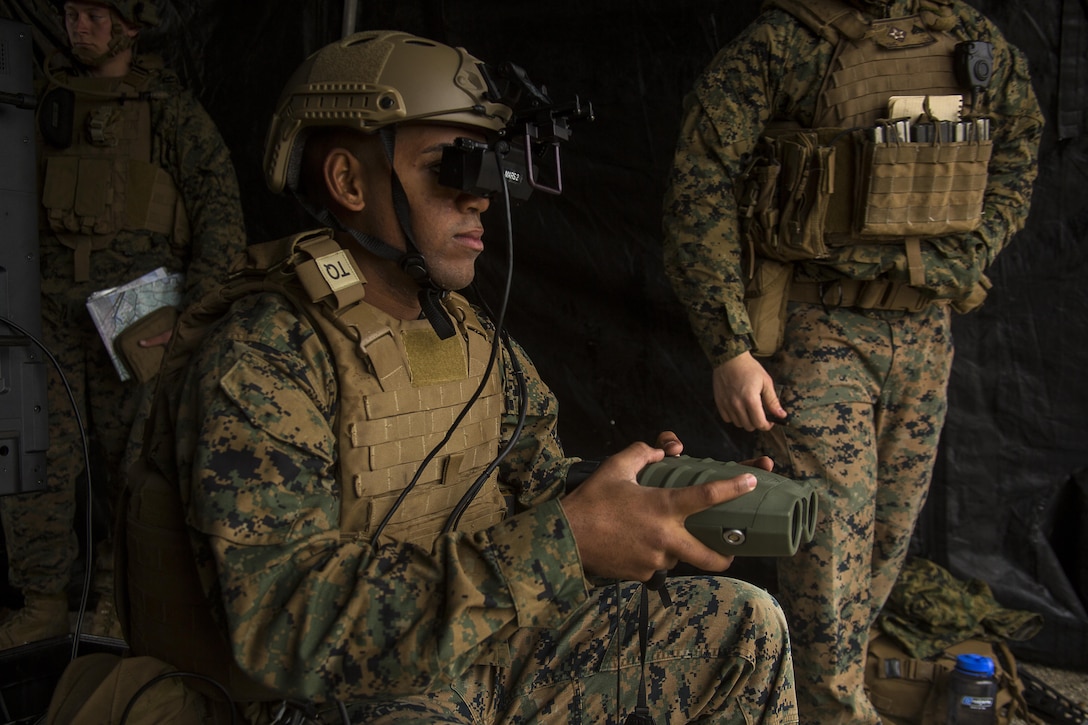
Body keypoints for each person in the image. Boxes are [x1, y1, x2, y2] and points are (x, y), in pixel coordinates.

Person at [127, 29, 797, 723]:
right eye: (451, 169)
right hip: (337, 700)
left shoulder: (468, 334)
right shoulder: (264, 355)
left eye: (489, 168)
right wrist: (568, 538)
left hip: (479, 658)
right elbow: (285, 628)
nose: (480, 199)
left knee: (743, 629)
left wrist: (642, 504)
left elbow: (535, 486)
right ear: (350, 181)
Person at [661, 0, 1043, 722]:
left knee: (887, 538)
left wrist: (975, 245)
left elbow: (1020, 137)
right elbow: (700, 180)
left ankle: (811, 693)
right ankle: (835, 709)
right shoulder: (789, 40)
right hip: (818, 323)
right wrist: (730, 346)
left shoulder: (965, 36)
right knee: (828, 543)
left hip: (924, 326)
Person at [0, 0, 245, 648]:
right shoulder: (37, 102)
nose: (78, 26)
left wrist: (194, 317)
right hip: (45, 308)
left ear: (131, 24)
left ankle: (117, 600)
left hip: (136, 314)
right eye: (71, 13)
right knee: (36, 455)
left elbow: (220, 212)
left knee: (133, 463)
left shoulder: (169, 110)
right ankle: (45, 598)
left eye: (95, 15)